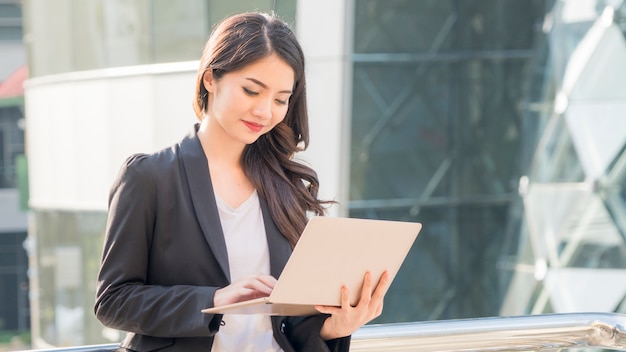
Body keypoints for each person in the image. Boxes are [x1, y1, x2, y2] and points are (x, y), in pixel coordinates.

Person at [94, 11, 390, 352]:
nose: (265, 111)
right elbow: (113, 301)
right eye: (252, 90)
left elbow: (287, 321)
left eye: (280, 100)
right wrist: (214, 300)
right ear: (210, 78)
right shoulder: (150, 177)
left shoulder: (285, 185)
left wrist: (335, 327)